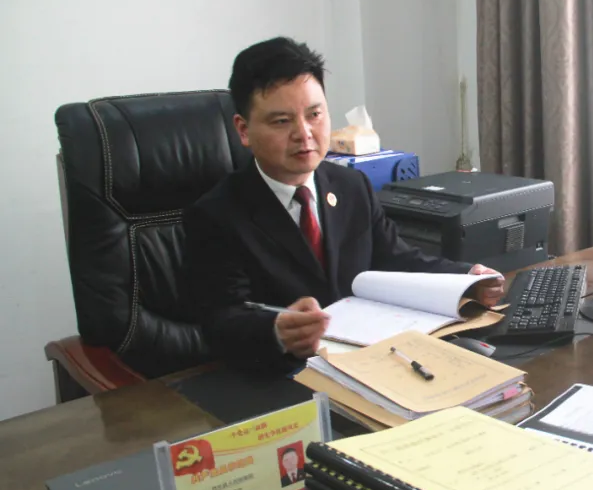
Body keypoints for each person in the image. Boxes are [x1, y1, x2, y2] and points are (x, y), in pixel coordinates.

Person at [185, 37, 505, 374]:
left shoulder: (351, 186)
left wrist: (465, 278)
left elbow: (397, 259)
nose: (304, 133)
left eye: (314, 114)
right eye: (281, 121)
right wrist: (275, 332)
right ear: (244, 130)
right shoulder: (216, 215)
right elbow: (220, 319)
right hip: (285, 377)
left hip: (375, 362)